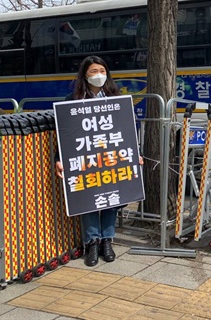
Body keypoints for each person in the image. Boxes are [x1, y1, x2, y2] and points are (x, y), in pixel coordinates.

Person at [55, 55, 142, 267]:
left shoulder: (116, 98)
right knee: (89, 200)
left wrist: (134, 154)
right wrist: (59, 159)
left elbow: (126, 130)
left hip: (111, 159)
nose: (98, 76)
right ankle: (91, 242)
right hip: (86, 161)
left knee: (111, 199)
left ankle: (107, 241)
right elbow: (64, 134)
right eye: (94, 72)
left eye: (102, 71)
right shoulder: (72, 100)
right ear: (84, 74)